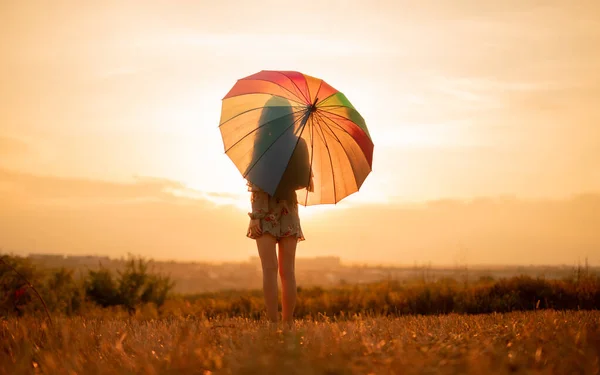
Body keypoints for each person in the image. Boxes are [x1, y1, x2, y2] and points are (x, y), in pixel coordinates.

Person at [245, 97, 313, 328]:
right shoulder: (299, 144)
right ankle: (288, 323)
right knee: (288, 272)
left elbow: (254, 184)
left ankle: (273, 322)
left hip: (264, 209)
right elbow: (303, 183)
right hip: (288, 209)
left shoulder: (261, 143)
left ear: (266, 118)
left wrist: (255, 216)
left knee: (269, 270)